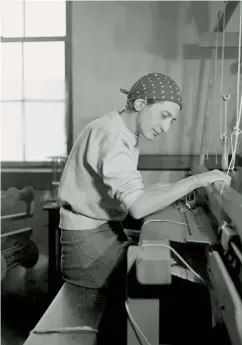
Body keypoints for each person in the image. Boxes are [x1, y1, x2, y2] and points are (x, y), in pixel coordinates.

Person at [58, 72, 231, 343]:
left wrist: (182, 189)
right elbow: (138, 207)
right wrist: (197, 180)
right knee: (191, 299)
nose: (167, 127)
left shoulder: (117, 130)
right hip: (87, 249)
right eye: (163, 115)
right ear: (140, 105)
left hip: (99, 237)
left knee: (180, 295)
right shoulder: (112, 136)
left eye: (172, 120)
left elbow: (137, 194)